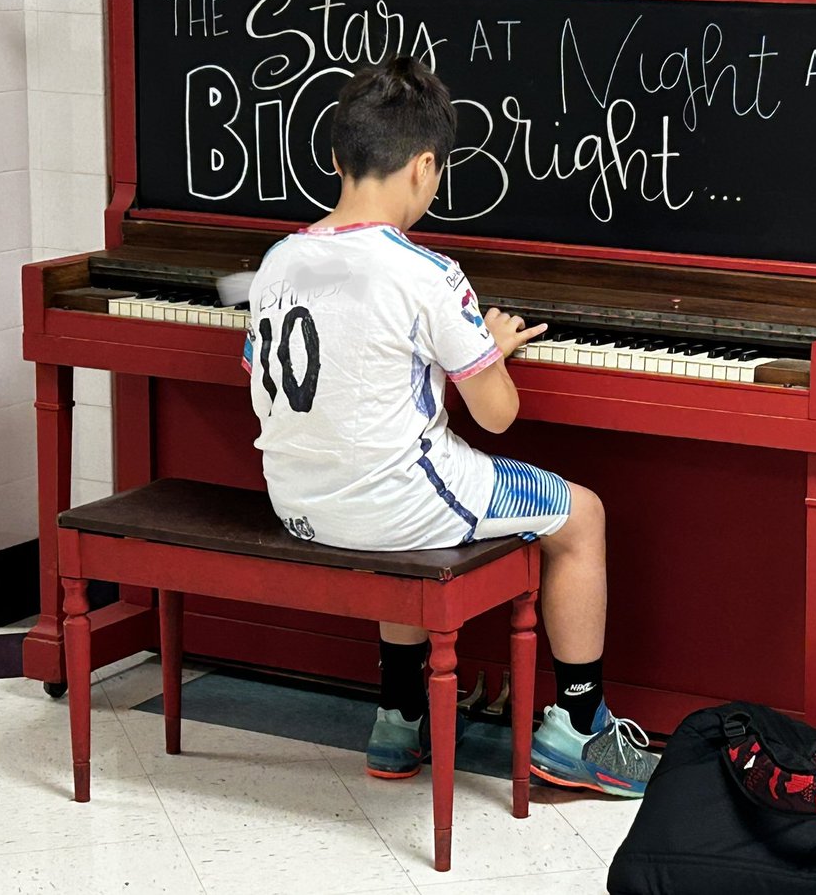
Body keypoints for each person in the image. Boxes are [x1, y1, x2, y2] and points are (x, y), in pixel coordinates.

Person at [245, 56, 657, 797]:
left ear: (337, 157)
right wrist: (487, 351)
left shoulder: (280, 260)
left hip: (300, 505)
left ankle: (400, 718)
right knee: (582, 515)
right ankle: (578, 729)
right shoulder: (425, 273)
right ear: (425, 166)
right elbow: (499, 416)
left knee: (396, 487)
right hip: (395, 508)